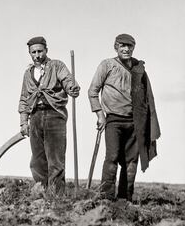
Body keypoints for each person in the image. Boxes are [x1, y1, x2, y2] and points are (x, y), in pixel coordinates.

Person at [88, 33, 161, 201]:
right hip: (113, 120)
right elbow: (92, 91)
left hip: (135, 122)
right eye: (122, 46)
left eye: (129, 46)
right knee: (112, 158)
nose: (126, 49)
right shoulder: (107, 65)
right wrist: (100, 115)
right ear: (116, 47)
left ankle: (124, 200)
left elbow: (147, 98)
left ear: (133, 48)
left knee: (131, 162)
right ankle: (106, 198)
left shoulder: (138, 69)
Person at [18, 36, 80, 194]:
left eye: (40, 51)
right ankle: (41, 191)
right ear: (30, 53)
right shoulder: (28, 73)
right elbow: (24, 98)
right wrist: (24, 122)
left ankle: (56, 195)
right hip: (36, 116)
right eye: (33, 52)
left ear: (46, 50)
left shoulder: (56, 66)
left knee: (55, 159)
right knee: (37, 159)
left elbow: (67, 80)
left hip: (55, 115)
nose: (37, 55)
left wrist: (72, 87)